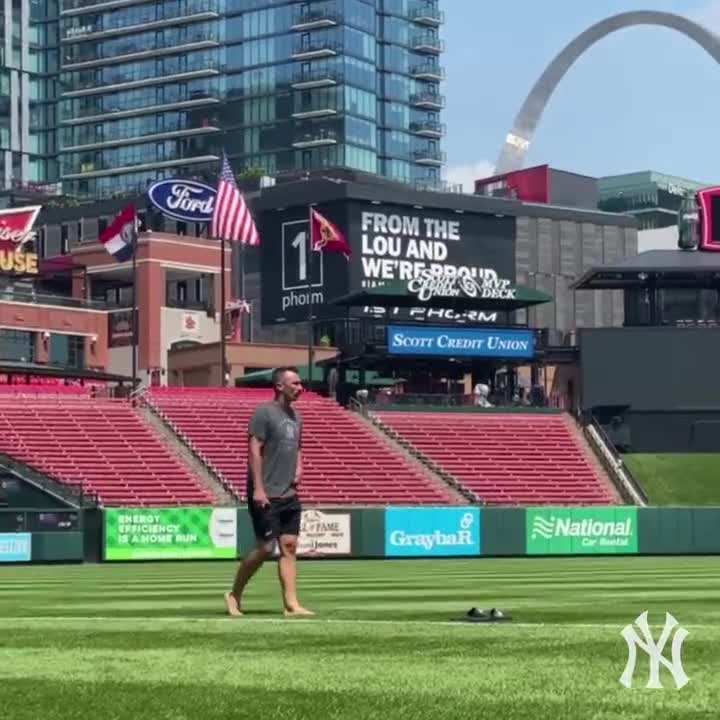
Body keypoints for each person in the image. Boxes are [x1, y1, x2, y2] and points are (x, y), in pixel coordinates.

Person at [224, 366, 314, 617]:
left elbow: (298, 447)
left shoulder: (297, 417)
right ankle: (234, 594)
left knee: (289, 546)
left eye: (300, 383)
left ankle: (291, 604)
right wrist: (259, 489)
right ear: (279, 386)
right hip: (266, 493)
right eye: (294, 383)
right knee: (264, 548)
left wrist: (299, 467)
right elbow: (254, 449)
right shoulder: (264, 412)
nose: (300, 388)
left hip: (289, 493)